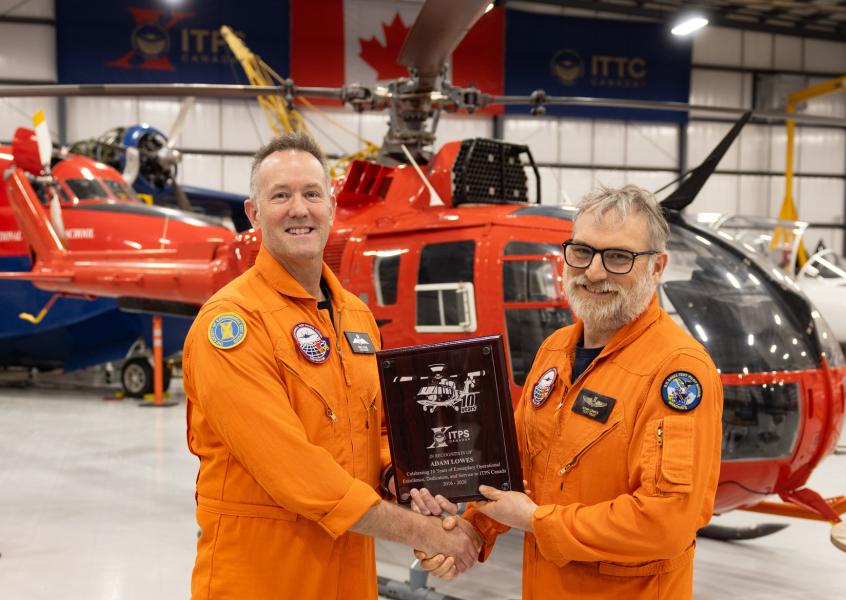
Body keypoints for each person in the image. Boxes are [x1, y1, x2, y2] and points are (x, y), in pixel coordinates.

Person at [183, 132, 477, 600]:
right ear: (254, 213)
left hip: (347, 573)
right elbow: (293, 471)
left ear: (332, 207)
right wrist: (424, 533)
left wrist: (400, 480)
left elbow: (378, 433)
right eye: (280, 195)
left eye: (312, 194)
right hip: (260, 578)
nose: (299, 209)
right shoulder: (231, 325)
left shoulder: (356, 318)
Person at [411, 184, 723, 599]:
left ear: (657, 267)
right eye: (581, 251)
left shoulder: (678, 371)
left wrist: (538, 522)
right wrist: (471, 529)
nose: (593, 272)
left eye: (618, 257)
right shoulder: (556, 348)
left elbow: (666, 522)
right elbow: (513, 464)